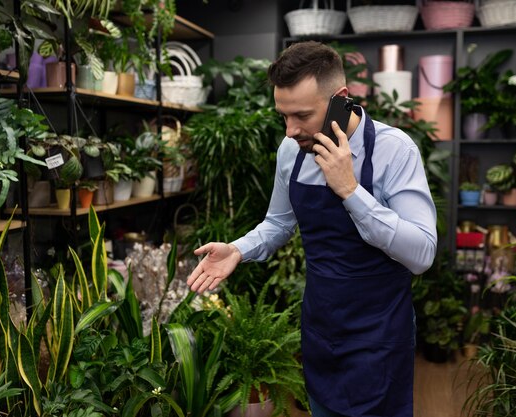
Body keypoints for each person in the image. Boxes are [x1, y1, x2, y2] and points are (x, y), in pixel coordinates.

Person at [186, 41, 437, 417]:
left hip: (379, 336)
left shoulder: (395, 151)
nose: (290, 131)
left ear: (340, 99)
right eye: (283, 116)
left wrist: (351, 192)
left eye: (301, 115)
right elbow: (278, 223)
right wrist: (238, 249)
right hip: (321, 330)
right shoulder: (290, 151)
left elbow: (422, 254)